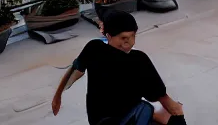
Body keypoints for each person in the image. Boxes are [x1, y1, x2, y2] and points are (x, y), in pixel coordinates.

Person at [51, 10, 187, 124]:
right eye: (123, 38)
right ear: (109, 36)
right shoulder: (139, 59)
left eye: (132, 36)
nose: (130, 43)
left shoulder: (93, 48)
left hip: (98, 120)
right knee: (163, 112)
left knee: (155, 110)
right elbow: (166, 102)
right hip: (124, 119)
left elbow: (74, 71)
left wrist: (57, 96)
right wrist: (178, 114)